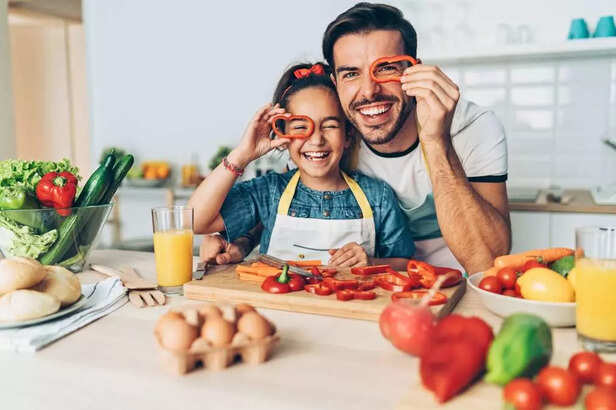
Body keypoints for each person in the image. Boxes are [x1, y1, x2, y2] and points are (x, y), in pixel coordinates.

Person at [200, 2, 511, 274]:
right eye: (351, 74)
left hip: (454, 282)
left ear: (413, 71)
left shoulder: (473, 127)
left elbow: (486, 261)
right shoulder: (340, 132)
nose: (369, 91)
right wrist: (237, 240)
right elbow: (286, 198)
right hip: (376, 290)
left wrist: (436, 139)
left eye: (385, 69)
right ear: (335, 82)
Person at [188, 62, 415, 270]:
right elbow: (194, 220)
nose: (316, 140)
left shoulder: (379, 197)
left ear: (348, 135)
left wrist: (372, 262)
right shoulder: (268, 192)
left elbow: (405, 263)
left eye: (330, 126)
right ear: (282, 133)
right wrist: (242, 154)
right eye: (300, 126)